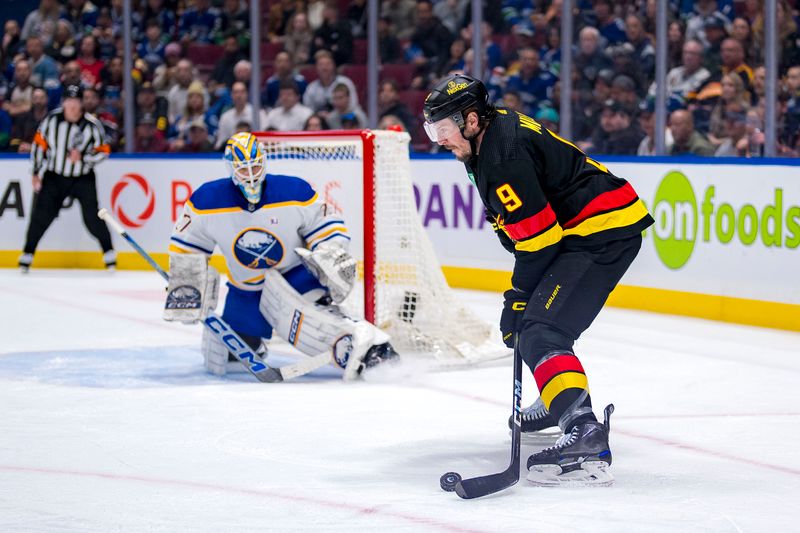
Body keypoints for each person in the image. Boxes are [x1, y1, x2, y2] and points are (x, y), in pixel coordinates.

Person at [422, 74, 653, 486]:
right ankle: (557, 398)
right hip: (586, 231)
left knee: (540, 330)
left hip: (598, 234)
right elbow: (526, 228)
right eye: (431, 129)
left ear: (471, 120)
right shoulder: (487, 140)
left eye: (443, 128)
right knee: (540, 325)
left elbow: (540, 242)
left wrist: (517, 297)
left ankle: (584, 431)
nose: (438, 139)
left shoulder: (500, 155)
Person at [168, 132, 398, 378]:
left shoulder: (293, 190)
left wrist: (329, 252)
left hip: (294, 278)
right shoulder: (207, 201)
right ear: (231, 169)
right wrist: (187, 286)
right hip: (246, 290)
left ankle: (374, 350)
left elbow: (326, 225)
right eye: (244, 170)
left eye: (255, 166)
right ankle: (253, 340)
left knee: (319, 322)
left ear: (264, 161)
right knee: (225, 358)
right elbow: (188, 245)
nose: (252, 175)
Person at [19, 84, 115, 272]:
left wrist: (84, 157)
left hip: (82, 177)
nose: (72, 105)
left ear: (81, 104)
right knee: (41, 215)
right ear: (63, 102)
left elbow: (104, 151)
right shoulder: (51, 121)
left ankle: (108, 252)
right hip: (55, 176)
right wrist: (36, 172)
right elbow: (39, 145)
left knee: (92, 218)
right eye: (68, 101)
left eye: (76, 101)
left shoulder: (92, 126)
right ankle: (28, 253)